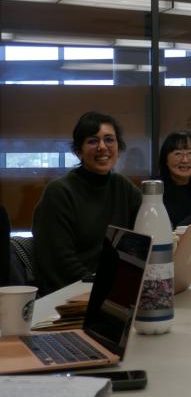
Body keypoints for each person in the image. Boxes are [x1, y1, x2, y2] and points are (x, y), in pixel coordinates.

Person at [32, 111, 142, 295]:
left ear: (119, 147)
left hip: (112, 288)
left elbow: (149, 230)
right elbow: (59, 262)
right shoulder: (59, 192)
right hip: (69, 295)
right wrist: (97, 286)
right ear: (78, 151)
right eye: (92, 141)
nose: (102, 147)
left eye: (109, 139)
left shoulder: (123, 187)